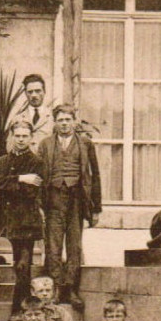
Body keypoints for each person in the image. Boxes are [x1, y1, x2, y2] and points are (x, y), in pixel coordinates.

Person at [37, 104, 102, 310]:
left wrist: (96, 208)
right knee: (53, 246)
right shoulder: (45, 144)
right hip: (53, 199)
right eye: (60, 120)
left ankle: (72, 289)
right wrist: (39, 205)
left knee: (74, 246)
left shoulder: (85, 144)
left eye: (67, 119)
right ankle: (56, 287)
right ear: (54, 123)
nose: (64, 124)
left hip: (76, 199)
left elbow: (95, 175)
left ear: (74, 121)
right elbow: (39, 176)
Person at [0, 120, 44, 321]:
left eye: (24, 136)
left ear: (31, 138)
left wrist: (11, 182)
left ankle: (19, 308)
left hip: (25, 219)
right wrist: (21, 178)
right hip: (2, 216)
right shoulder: (2, 161)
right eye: (17, 136)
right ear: (12, 136)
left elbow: (31, 191)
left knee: (22, 265)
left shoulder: (37, 162)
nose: (20, 140)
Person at [18, 74, 53, 149]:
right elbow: (10, 148)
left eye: (38, 91)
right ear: (25, 93)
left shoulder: (53, 118)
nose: (34, 95)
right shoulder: (18, 119)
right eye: (30, 92)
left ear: (44, 92)